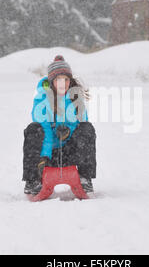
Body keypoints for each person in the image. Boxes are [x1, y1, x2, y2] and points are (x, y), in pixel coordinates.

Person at [23, 55, 97, 195]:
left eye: (66, 79)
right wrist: (44, 157)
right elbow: (44, 127)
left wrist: (69, 130)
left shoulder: (75, 99)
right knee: (34, 129)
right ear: (52, 82)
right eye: (58, 80)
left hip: (70, 152)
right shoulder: (42, 99)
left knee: (86, 128)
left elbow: (81, 122)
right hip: (48, 155)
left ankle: (85, 178)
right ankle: (33, 180)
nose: (63, 83)